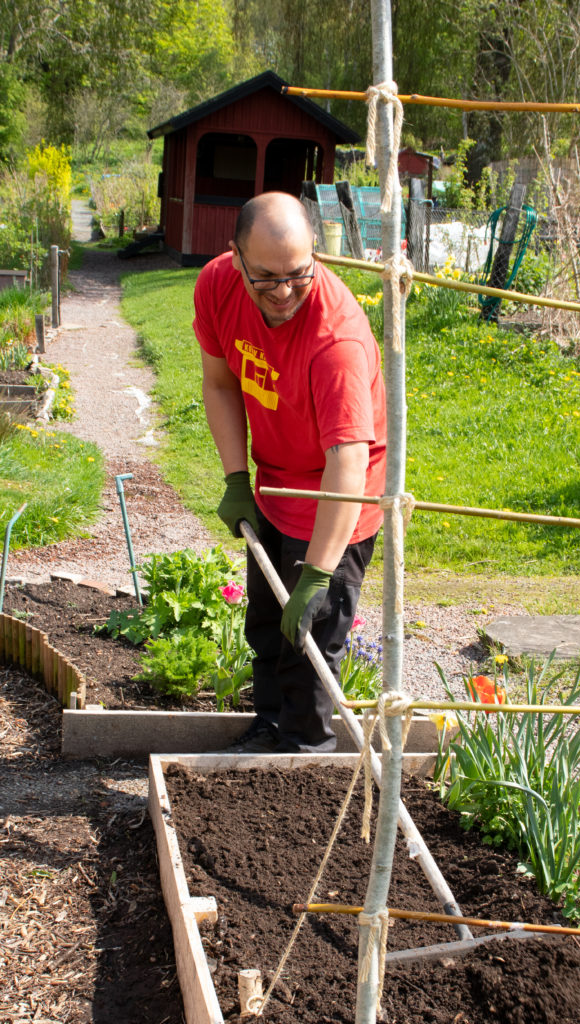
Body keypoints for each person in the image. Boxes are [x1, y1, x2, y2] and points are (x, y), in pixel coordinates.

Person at [193, 192, 387, 753]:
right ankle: (270, 730)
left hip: (335, 500)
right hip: (275, 484)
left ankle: (306, 754)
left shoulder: (337, 342)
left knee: (310, 646)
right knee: (266, 628)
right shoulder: (217, 285)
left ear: (316, 257)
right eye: (267, 278)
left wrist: (320, 574)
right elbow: (222, 383)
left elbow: (347, 463)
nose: (283, 292)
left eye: (298, 276)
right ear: (236, 258)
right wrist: (236, 479)